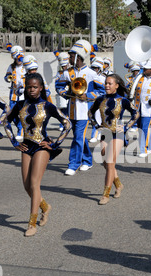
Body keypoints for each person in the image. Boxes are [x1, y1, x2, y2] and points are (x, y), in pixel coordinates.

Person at [3, 73, 72, 237]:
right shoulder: (20, 105)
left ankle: (32, 223)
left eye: (35, 87)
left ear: (41, 88)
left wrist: (54, 144)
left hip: (42, 146)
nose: (32, 90)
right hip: (26, 145)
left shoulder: (47, 106)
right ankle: (45, 206)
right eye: (29, 87)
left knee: (34, 184)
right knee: (26, 186)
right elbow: (6, 122)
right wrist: (14, 141)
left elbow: (67, 123)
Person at [88, 74, 139, 204]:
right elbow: (90, 112)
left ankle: (106, 194)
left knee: (110, 163)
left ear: (116, 85)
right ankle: (118, 184)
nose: (107, 85)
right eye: (106, 83)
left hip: (118, 134)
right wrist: (96, 125)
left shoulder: (122, 100)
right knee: (105, 162)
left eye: (110, 83)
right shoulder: (100, 99)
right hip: (105, 133)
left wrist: (126, 127)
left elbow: (136, 113)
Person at [55, 39, 99, 176]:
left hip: (85, 112)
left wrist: (89, 96)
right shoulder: (68, 73)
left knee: (77, 138)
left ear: (79, 57)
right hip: (71, 111)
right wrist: (66, 94)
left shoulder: (91, 73)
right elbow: (59, 86)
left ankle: (73, 164)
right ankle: (87, 160)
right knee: (79, 137)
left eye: (72, 55)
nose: (70, 57)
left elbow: (102, 91)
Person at [4, 43, 26, 142]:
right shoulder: (11, 66)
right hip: (13, 93)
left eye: (19, 58)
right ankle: (20, 128)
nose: (18, 60)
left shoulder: (26, 66)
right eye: (16, 58)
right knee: (11, 114)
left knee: (21, 113)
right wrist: (8, 79)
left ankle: (20, 131)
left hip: (23, 94)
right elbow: (6, 76)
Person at [89, 56, 107, 143]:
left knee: (98, 118)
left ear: (99, 68)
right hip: (90, 100)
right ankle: (97, 135)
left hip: (100, 100)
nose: (94, 69)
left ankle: (96, 135)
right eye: (93, 67)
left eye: (95, 68)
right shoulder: (89, 75)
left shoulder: (103, 78)